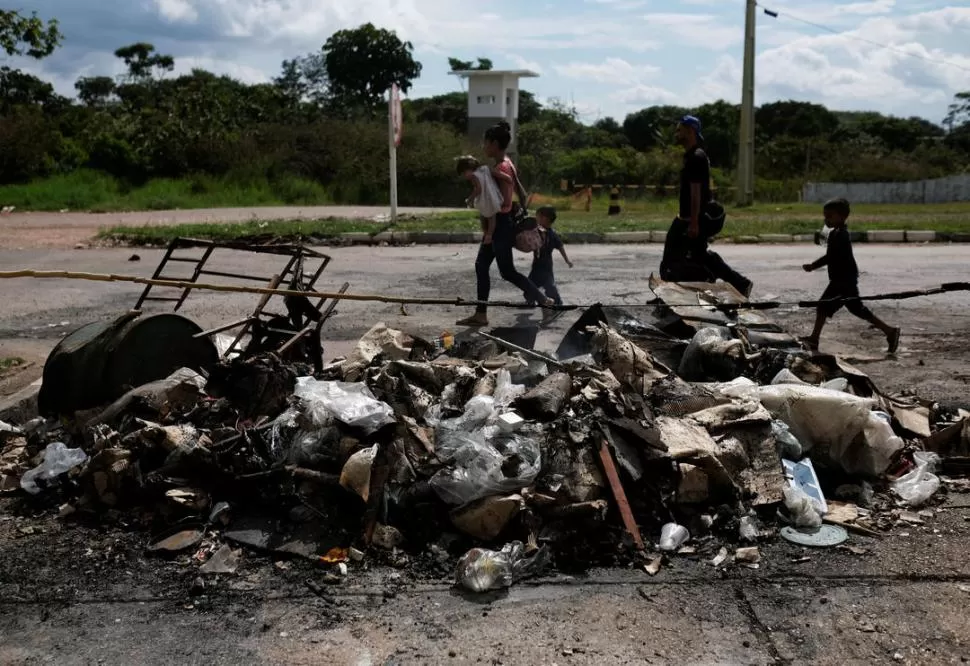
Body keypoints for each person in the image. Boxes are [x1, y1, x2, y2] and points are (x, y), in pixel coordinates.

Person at [456, 121, 551, 328]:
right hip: (498, 225)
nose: (483, 147)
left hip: (500, 225)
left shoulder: (501, 167)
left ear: (495, 143)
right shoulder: (504, 164)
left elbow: (504, 203)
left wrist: (490, 224)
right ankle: (481, 313)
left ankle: (544, 301)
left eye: (486, 143)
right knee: (482, 266)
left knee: (506, 271)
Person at [660, 115, 753, 297]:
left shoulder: (696, 157)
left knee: (674, 259)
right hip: (687, 218)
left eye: (679, 130)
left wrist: (693, 222)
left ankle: (677, 292)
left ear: (690, 131)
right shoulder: (693, 156)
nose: (676, 133)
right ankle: (740, 283)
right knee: (700, 256)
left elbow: (696, 192)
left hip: (690, 220)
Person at [802, 197, 901, 353]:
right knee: (857, 309)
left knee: (823, 306)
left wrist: (813, 266)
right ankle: (890, 331)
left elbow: (831, 257)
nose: (826, 219)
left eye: (829, 216)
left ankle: (814, 339)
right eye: (825, 216)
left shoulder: (841, 235)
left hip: (843, 281)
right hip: (844, 279)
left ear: (842, 217)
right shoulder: (835, 233)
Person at [525, 206, 572, 308]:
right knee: (529, 286)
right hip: (536, 266)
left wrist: (567, 260)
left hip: (546, 266)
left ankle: (558, 303)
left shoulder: (552, 235)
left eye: (538, 217)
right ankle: (530, 301)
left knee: (550, 287)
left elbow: (560, 246)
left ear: (544, 218)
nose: (536, 219)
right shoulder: (537, 231)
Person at [456, 154, 509, 238]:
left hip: (485, 199)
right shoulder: (485, 169)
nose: (465, 177)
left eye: (464, 173)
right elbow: (497, 173)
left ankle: (488, 235)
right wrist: (507, 178)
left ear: (469, 169)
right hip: (493, 196)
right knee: (492, 217)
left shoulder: (474, 176)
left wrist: (470, 198)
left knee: (485, 216)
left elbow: (478, 189)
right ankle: (489, 234)